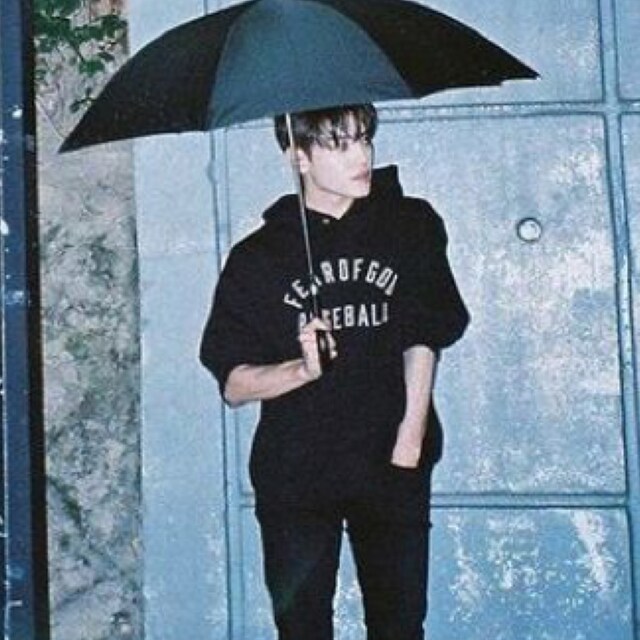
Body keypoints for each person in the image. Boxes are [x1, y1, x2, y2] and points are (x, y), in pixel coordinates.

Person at [199, 103, 469, 640]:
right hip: (296, 472)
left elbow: (424, 335)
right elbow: (233, 384)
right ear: (298, 157)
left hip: (390, 460)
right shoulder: (258, 257)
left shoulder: (409, 225)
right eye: (339, 144)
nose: (361, 155)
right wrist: (303, 368)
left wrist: (409, 440)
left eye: (364, 138)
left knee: (399, 627)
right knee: (302, 629)